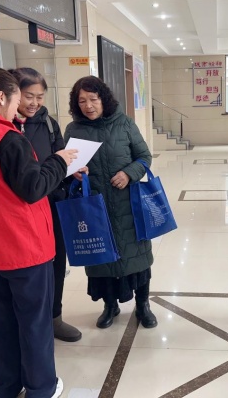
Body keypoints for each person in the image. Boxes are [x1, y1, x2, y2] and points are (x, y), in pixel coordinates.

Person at [0, 61, 79, 398]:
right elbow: (33, 188)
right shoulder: (7, 138)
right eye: (19, 99)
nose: (21, 108)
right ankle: (41, 388)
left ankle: (5, 388)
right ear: (2, 97)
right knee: (34, 323)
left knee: (1, 323)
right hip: (24, 248)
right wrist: (60, 161)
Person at [64, 76, 156, 330]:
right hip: (95, 206)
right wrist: (74, 173)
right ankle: (109, 305)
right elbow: (67, 164)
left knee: (137, 257)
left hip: (128, 204)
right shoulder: (73, 130)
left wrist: (129, 173)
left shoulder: (124, 123)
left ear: (103, 99)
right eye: (82, 101)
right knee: (100, 258)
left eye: (93, 99)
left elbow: (144, 156)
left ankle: (143, 305)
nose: (88, 105)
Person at [9, 67, 86, 343]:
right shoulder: (6, 127)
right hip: (21, 209)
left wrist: (74, 170)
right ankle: (27, 324)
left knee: (56, 264)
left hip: (52, 204)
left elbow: (61, 159)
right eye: (28, 96)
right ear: (13, 94)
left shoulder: (49, 124)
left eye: (40, 97)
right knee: (27, 271)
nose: (34, 103)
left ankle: (55, 319)